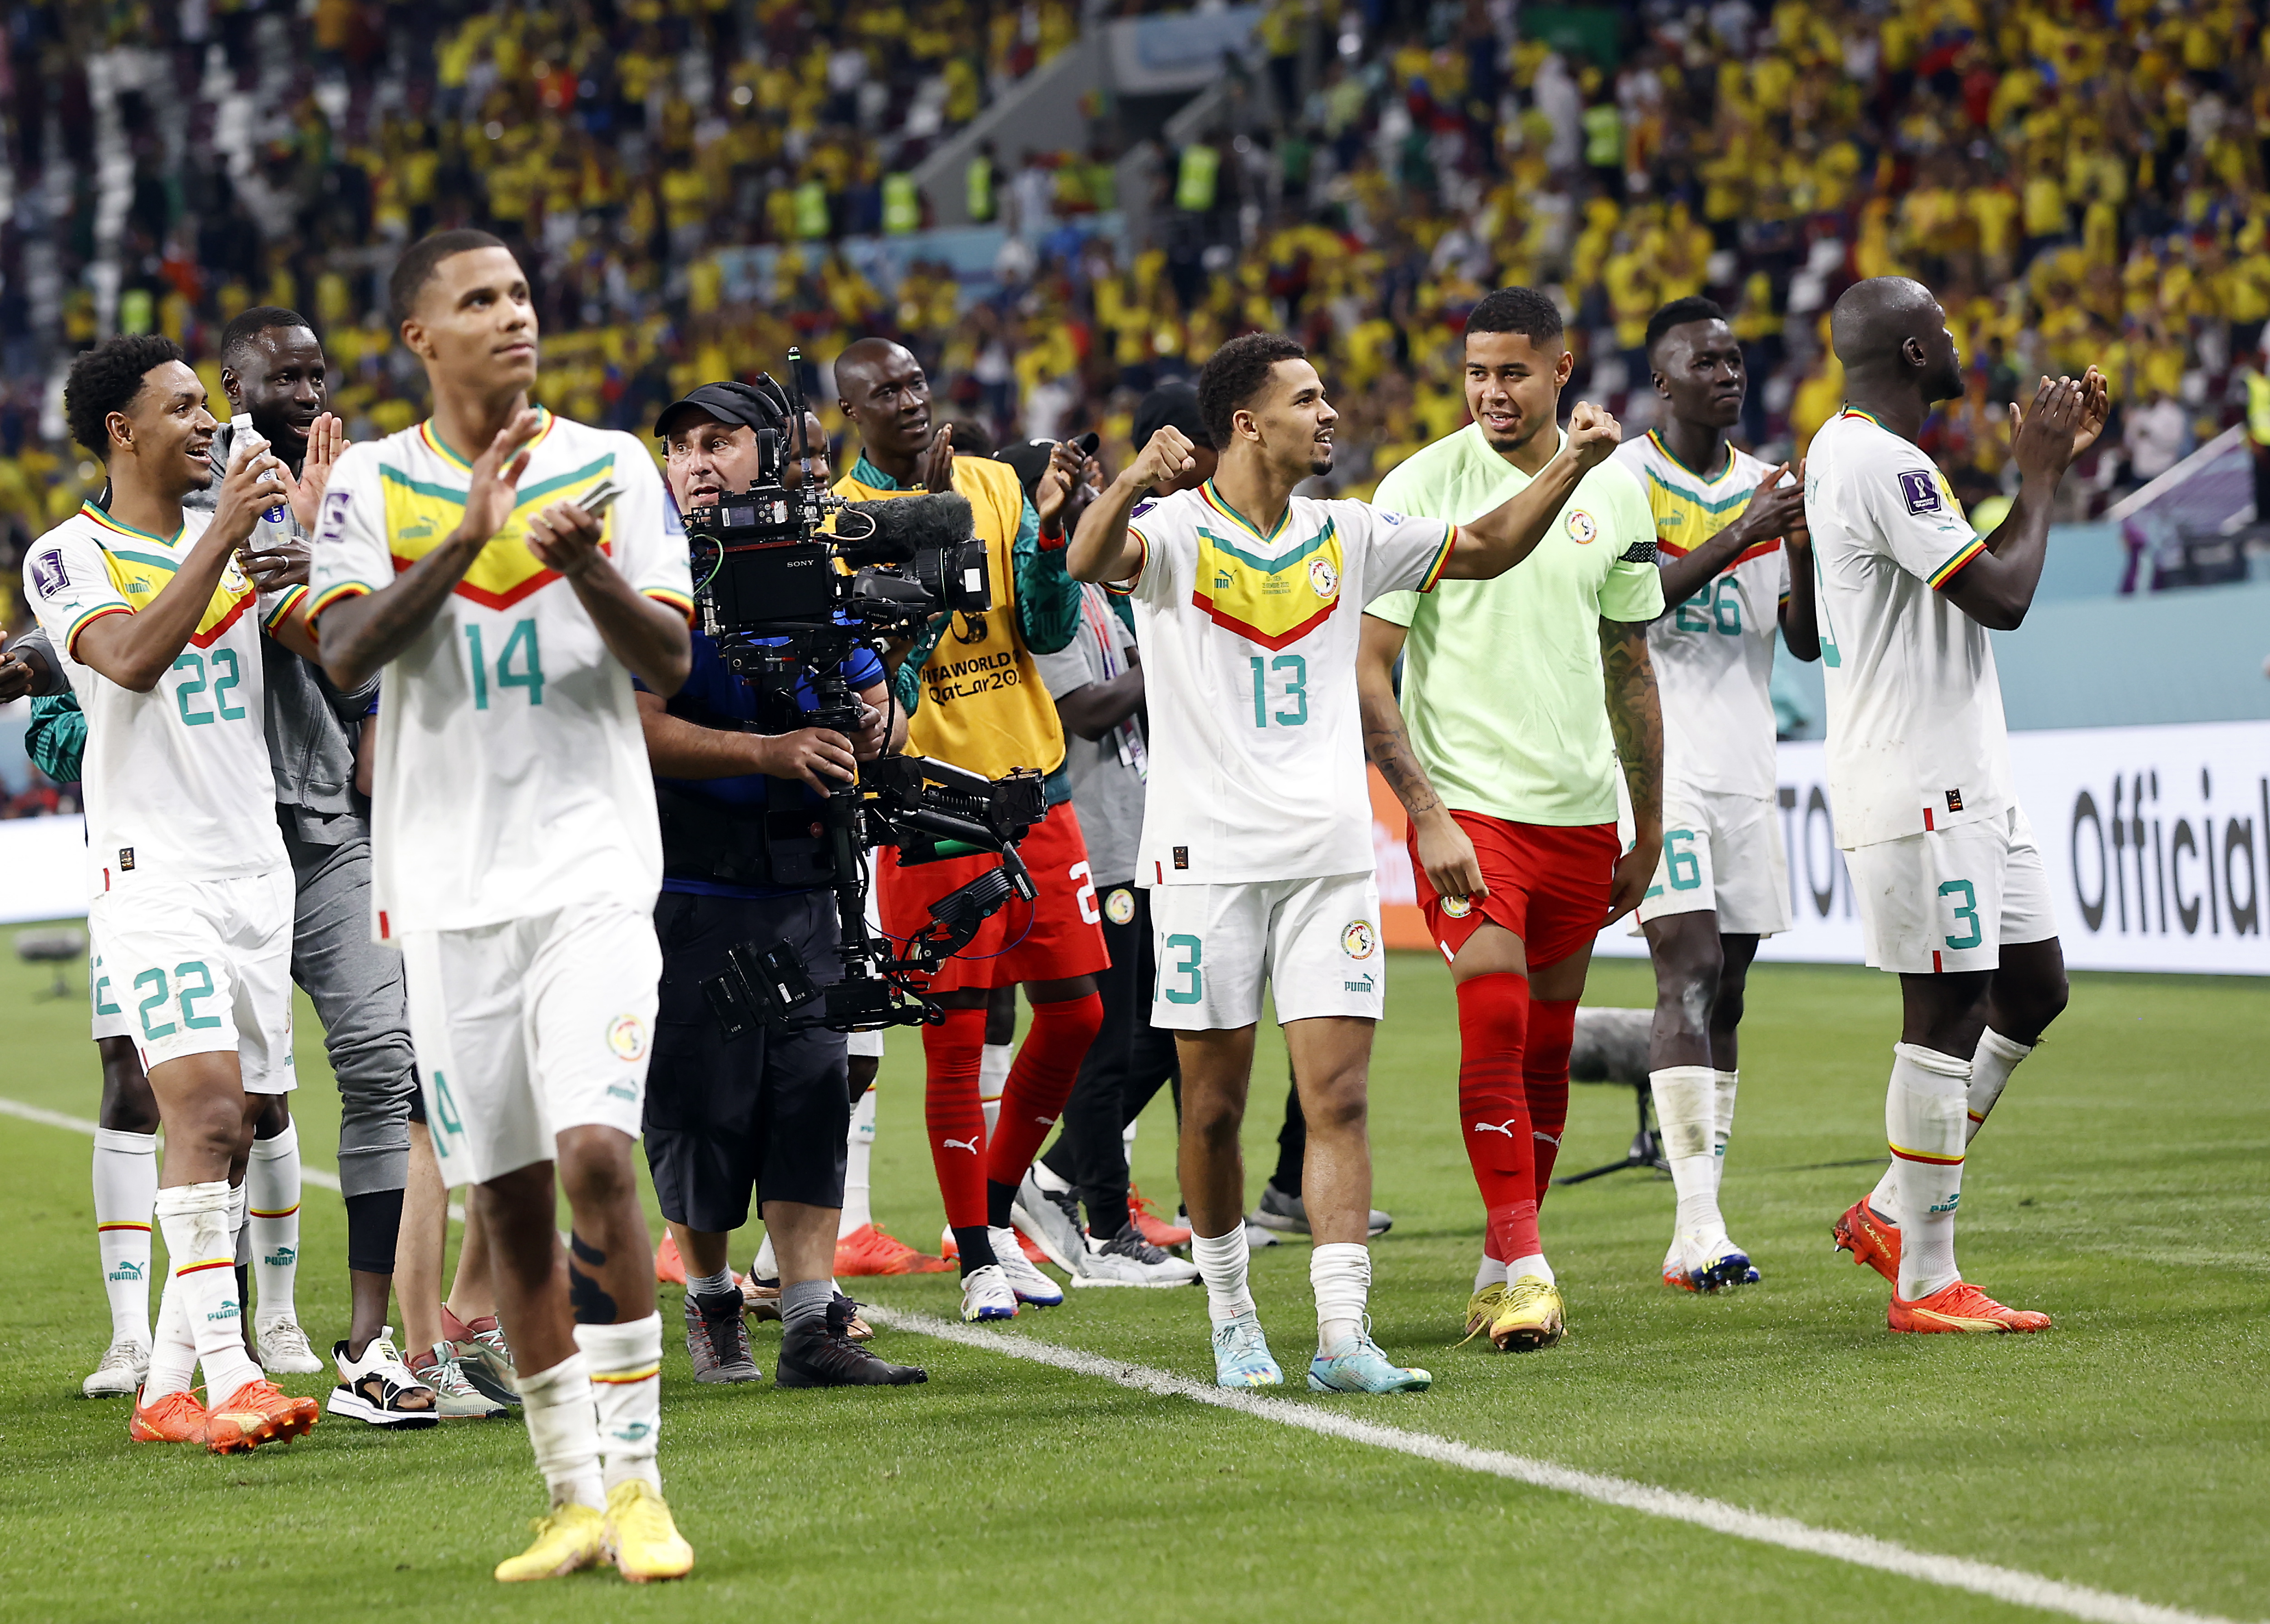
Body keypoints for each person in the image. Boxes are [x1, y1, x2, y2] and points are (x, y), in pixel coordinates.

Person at [1069, 330, 1621, 1392]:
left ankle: (1339, 1335)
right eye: (1307, 399)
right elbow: (1089, 559)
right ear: (1247, 422)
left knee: (1340, 1099)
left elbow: (1492, 543)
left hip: (1327, 858)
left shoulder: (1351, 531)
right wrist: (1135, 474)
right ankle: (1233, 1315)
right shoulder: (1176, 532)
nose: (1330, 415)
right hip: (1206, 862)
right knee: (1215, 1108)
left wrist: (1572, 464)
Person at [310, 229, 697, 1581]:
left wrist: (587, 564)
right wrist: (465, 538)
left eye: (521, 294)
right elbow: (343, 651)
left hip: (590, 867)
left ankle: (643, 1483)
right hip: (446, 891)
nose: (512, 316)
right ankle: (570, 1495)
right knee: (512, 1204)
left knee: (599, 1154)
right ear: (421, 337)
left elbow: (671, 656)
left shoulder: (618, 466)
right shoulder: (368, 484)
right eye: (479, 301)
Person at [25, 333, 323, 1454]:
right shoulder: (66, 555)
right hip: (153, 874)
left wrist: (325, 535)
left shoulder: (231, 537)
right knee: (197, 1112)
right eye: (185, 407)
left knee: (239, 1129)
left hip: (257, 867)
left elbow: (330, 646)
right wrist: (233, 543)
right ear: (123, 431)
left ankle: (165, 1385)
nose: (211, 422)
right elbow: (135, 658)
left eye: (209, 406)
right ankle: (236, 1370)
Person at [1356, 286, 1665, 1355]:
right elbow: (1369, 670)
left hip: (1580, 816)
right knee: (1491, 1019)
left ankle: (1498, 1263)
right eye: (1477, 372)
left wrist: (1649, 824)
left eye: (1513, 372)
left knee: (1544, 1046)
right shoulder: (1418, 486)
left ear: (1560, 370)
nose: (1492, 391)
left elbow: (1631, 665)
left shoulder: (1619, 493)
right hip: (1469, 812)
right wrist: (1425, 811)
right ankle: (1531, 1265)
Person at [1810, 276, 2102, 1333]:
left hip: (1970, 779)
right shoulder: (1878, 460)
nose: (1958, 338)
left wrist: (2042, 472)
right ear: (1916, 353)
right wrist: (2039, 474)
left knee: (2032, 990)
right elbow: (2007, 596)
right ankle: (1925, 1279)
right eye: (1942, 326)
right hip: (1918, 780)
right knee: (1943, 1012)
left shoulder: (1864, 455)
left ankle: (1893, 1208)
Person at [641, 378, 925, 1387]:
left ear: (769, 455)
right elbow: (633, 722)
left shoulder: (817, 565)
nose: (698, 463)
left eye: (720, 443)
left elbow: (881, 700)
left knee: (811, 1092)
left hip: (808, 882)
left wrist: (875, 725)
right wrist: (766, 754)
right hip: (689, 886)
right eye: (680, 449)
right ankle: (713, 1299)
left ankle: (809, 1322)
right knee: (700, 1103)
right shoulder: (650, 570)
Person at [832, 337, 1108, 1324]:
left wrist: (1045, 538)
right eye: (884, 393)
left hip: (1037, 790)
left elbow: (1044, 632)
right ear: (852, 416)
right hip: (932, 803)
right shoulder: (841, 520)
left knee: (1078, 1015)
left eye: (914, 383)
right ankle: (979, 1256)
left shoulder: (993, 481)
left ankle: (990, 1214)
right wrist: (931, 548)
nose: (908, 401)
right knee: (951, 1045)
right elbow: (882, 690)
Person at [1609, 296, 1819, 1292]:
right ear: (1663, 383)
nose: (1728, 374)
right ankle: (1699, 1224)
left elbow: (1806, 639)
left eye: (1736, 360)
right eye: (1707, 361)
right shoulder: (1625, 477)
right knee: (1685, 961)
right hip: (1658, 756)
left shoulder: (1767, 485)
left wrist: (1803, 547)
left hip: (1745, 757)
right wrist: (1747, 528)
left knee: (1728, 983)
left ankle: (1700, 1217)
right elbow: (1638, 600)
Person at [992, 434, 1197, 1288]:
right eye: (1073, 477)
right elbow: (1085, 708)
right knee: (1108, 1041)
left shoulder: (1105, 587)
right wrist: (1169, 665)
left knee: (1155, 1029)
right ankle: (1108, 1226)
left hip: (1140, 835)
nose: (1093, 484)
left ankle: (1058, 1175)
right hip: (1097, 844)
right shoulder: (1051, 591)